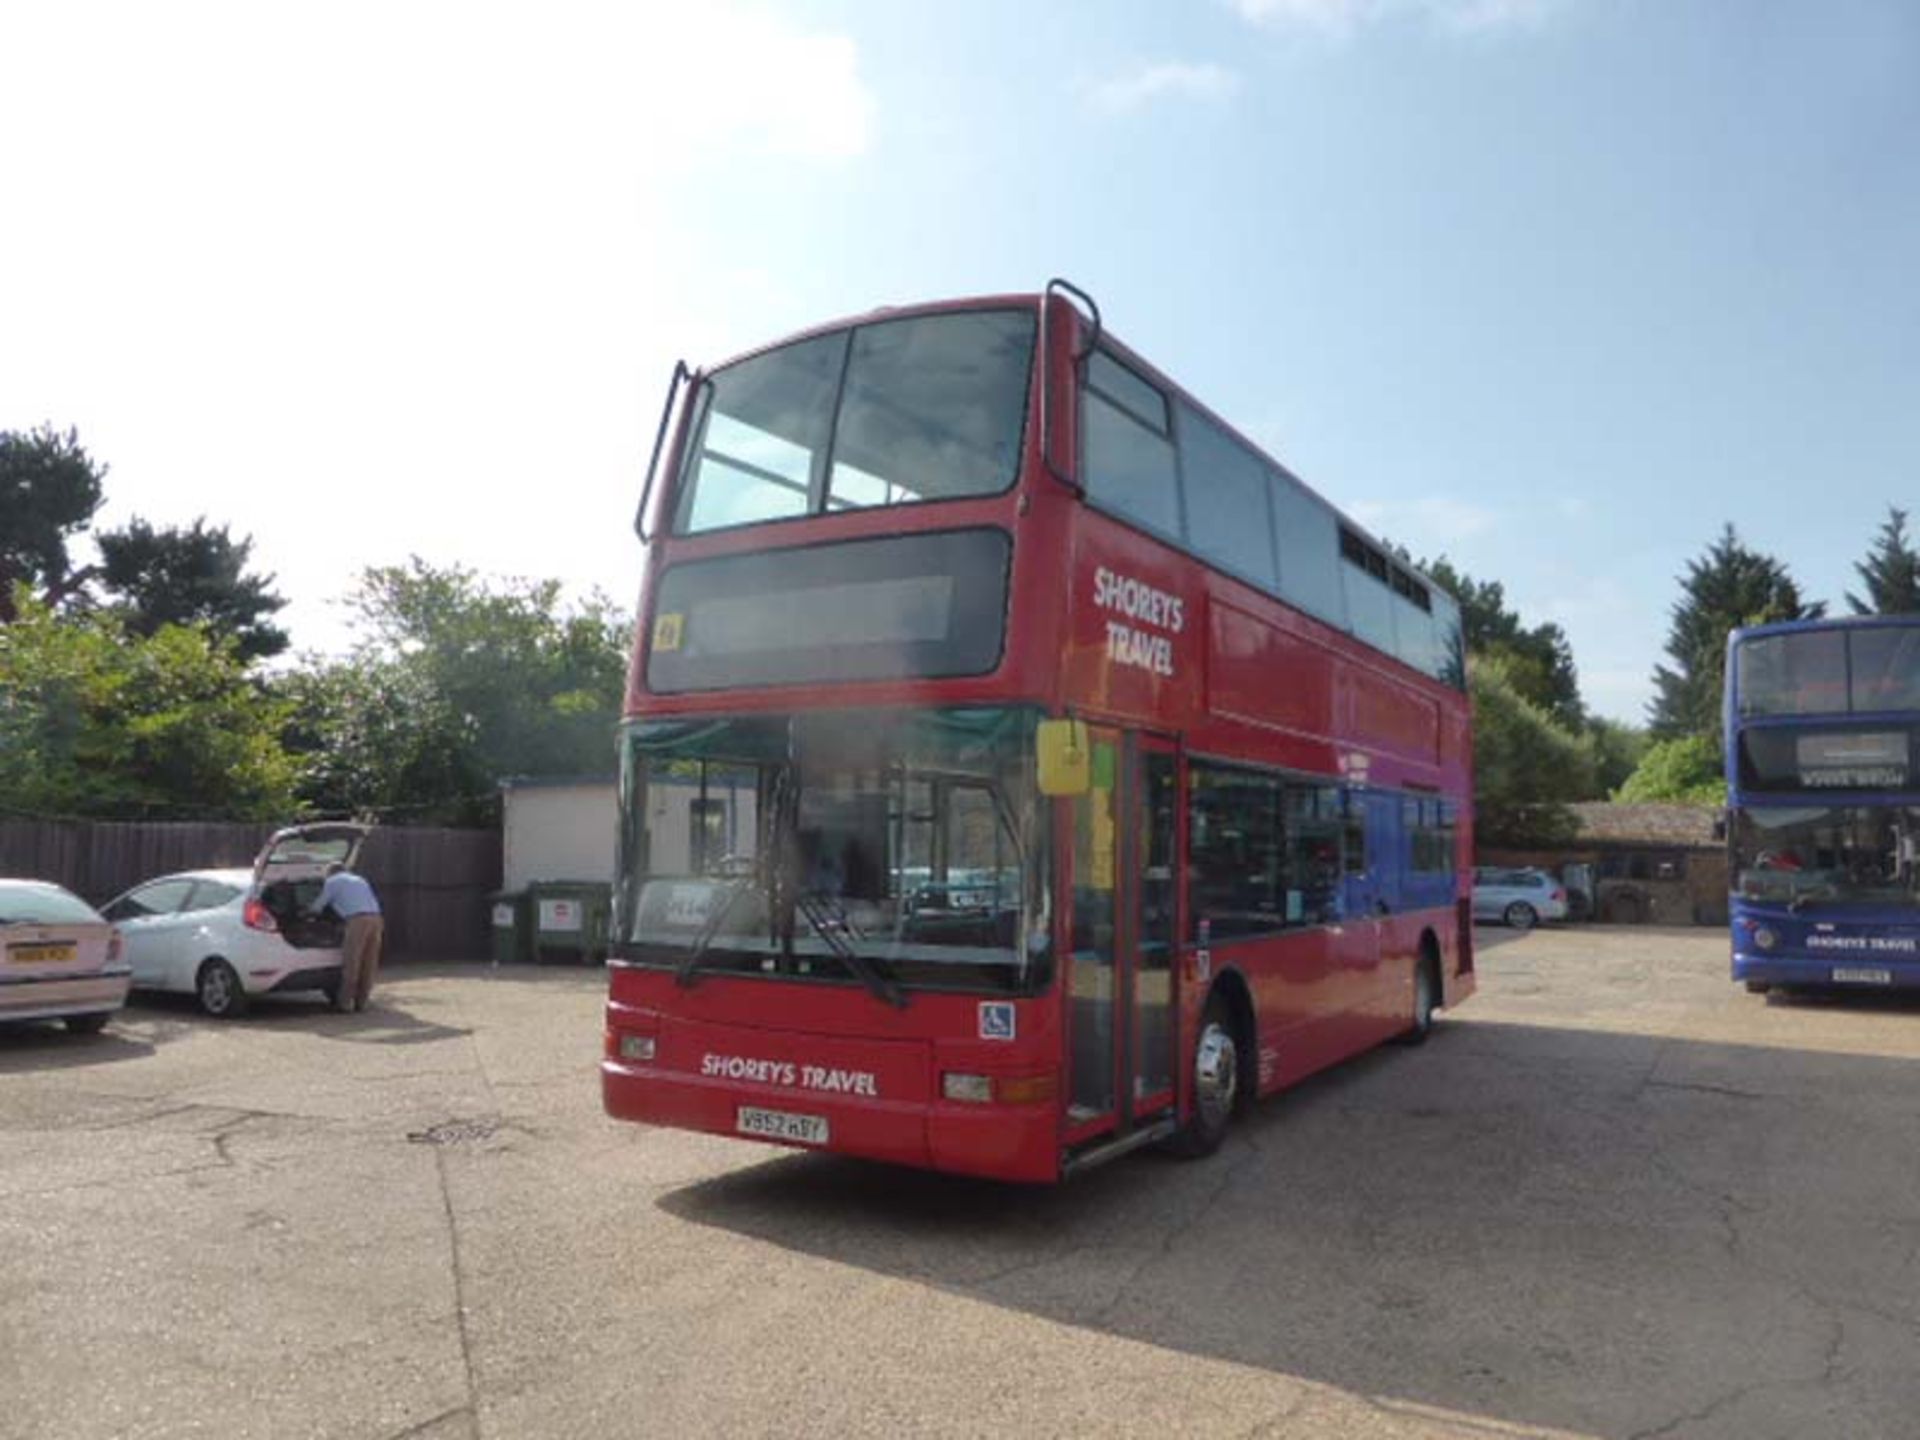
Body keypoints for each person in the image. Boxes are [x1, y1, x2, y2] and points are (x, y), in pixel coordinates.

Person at [312, 863, 383, 1012]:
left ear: (330, 873)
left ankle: (344, 1004)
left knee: (352, 960)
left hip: (356, 921)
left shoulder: (332, 881)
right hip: (376, 918)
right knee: (369, 962)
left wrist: (307, 911)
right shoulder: (359, 879)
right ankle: (361, 1003)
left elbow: (319, 905)